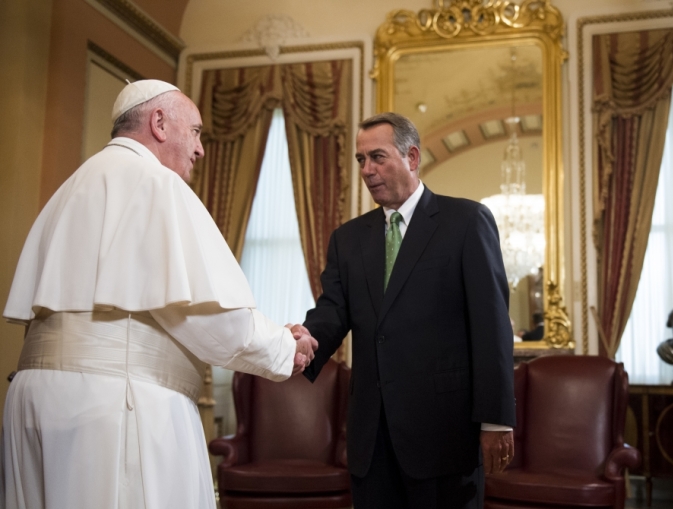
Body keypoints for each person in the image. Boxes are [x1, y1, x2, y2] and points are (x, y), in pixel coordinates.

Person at [1, 79, 317, 509]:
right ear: (160, 123)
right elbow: (204, 316)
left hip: (34, 400)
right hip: (113, 407)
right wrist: (284, 347)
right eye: (196, 132)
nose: (201, 149)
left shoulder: (70, 187)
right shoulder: (157, 184)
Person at [292, 112, 515, 509]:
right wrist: (305, 339)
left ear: (412, 157)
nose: (367, 169)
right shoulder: (347, 239)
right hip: (371, 438)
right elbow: (332, 310)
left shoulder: (465, 221)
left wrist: (495, 420)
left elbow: (492, 325)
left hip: (444, 436)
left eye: (378, 157)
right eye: (361, 160)